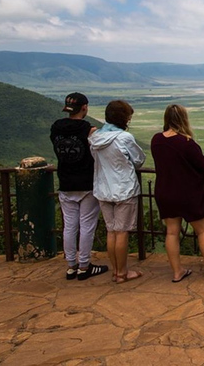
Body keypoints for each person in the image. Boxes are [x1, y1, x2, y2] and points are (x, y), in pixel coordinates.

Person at [150, 104, 204, 282]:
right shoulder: (187, 143)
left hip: (165, 193)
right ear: (184, 119)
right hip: (187, 194)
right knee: (203, 231)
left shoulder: (156, 140)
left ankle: (177, 272)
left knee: (172, 232)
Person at [50, 92, 109, 281]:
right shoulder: (89, 130)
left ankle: (71, 266)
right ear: (84, 108)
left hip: (65, 182)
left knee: (69, 226)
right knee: (87, 226)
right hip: (86, 183)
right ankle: (84, 266)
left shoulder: (56, 128)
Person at [89, 100, 146, 283]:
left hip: (103, 189)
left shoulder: (95, 138)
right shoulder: (124, 138)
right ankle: (122, 273)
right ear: (123, 118)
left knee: (111, 231)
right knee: (122, 232)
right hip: (124, 189)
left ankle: (115, 271)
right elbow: (138, 160)